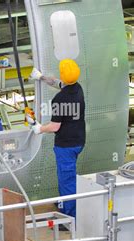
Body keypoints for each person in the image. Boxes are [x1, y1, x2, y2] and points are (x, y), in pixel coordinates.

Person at [29, 59, 86, 219]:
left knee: (66, 178)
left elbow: (55, 126)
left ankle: (70, 216)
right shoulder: (77, 88)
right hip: (78, 140)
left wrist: (39, 128)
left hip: (66, 145)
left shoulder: (60, 99)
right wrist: (41, 77)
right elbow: (58, 83)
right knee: (66, 176)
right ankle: (66, 202)